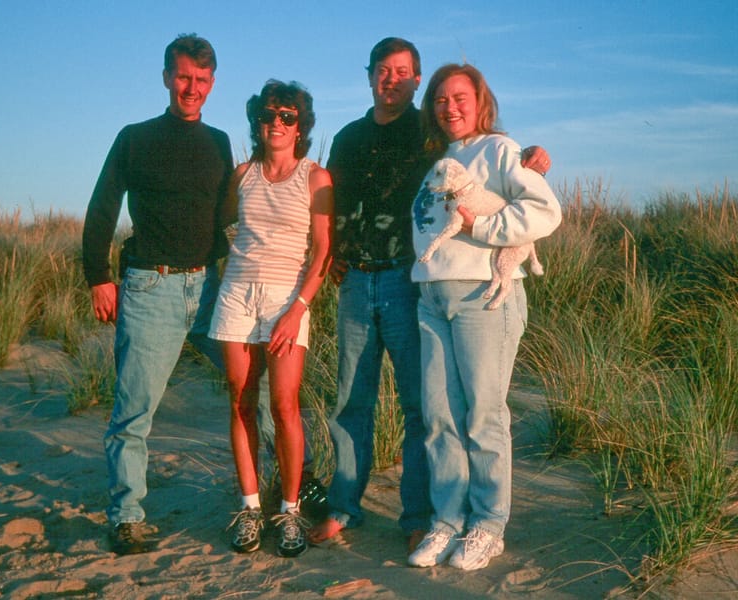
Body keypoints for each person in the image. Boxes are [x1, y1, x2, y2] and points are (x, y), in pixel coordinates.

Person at [309, 37, 550, 553]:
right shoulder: (352, 137)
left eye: (403, 72)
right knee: (360, 401)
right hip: (369, 282)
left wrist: (531, 157)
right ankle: (349, 507)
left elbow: (492, 160)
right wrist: (331, 253)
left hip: (410, 279)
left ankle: (424, 516)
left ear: (416, 80)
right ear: (369, 74)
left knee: (430, 408)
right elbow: (331, 200)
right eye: (383, 70)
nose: (392, 80)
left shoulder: (428, 135)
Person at [81, 34, 232, 556]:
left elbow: (229, 217)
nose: (193, 88)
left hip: (212, 288)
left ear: (213, 84)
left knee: (252, 384)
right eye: (185, 77)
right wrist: (98, 275)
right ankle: (126, 516)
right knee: (134, 411)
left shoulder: (220, 141)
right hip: (150, 286)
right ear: (167, 77)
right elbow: (103, 205)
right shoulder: (135, 137)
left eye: (203, 80)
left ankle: (270, 496)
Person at [406, 63, 561, 571]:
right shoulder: (441, 157)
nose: (450, 108)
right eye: (440, 100)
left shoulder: (499, 148)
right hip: (431, 298)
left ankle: (488, 525)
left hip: (483, 298)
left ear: (480, 101)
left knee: (484, 416)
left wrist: (486, 227)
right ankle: (447, 521)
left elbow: (544, 212)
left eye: (460, 98)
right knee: (439, 417)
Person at [208, 80, 333, 558]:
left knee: (284, 404)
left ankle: (289, 510)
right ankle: (250, 507)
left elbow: (322, 249)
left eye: (286, 116)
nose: (275, 123)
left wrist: (297, 308)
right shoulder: (242, 174)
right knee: (241, 400)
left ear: (300, 125)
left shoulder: (315, 177)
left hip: (287, 298)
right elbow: (225, 227)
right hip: (237, 293)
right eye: (267, 115)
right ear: (256, 122)